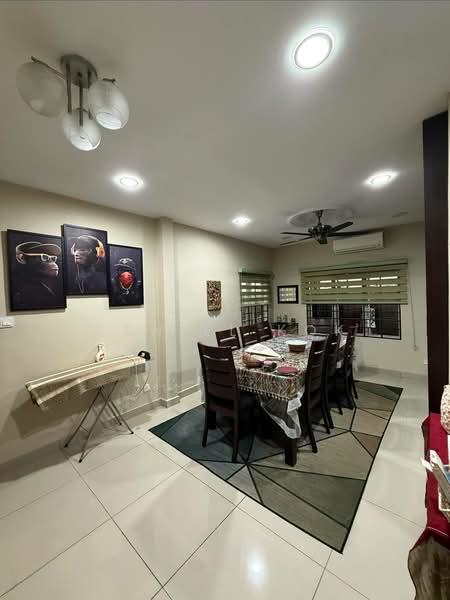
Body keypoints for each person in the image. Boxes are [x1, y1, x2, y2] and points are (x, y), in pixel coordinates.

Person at [13, 240, 63, 309]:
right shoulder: (19, 291)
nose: (53, 263)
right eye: (44, 257)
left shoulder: (41, 288)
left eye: (53, 258)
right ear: (22, 258)